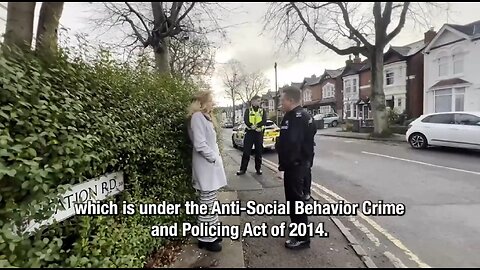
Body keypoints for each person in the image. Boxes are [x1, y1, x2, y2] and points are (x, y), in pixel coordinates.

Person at [187, 90, 227, 252]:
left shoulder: (205, 117)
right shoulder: (197, 117)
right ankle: (205, 239)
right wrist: (214, 158)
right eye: (211, 100)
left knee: (211, 202)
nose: (213, 103)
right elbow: (200, 144)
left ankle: (212, 233)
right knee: (207, 204)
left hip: (210, 166)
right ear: (202, 102)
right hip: (206, 166)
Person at [275, 86, 315, 250]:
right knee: (297, 201)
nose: (280, 103)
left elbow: (292, 144)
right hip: (302, 165)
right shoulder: (304, 115)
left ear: (290, 100)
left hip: (295, 166)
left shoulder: (295, 117)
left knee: (295, 202)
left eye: (282, 100)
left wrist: (285, 164)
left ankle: (302, 239)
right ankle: (299, 230)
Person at [237, 95, 267, 176]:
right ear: (253, 101)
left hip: (258, 133)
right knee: (246, 152)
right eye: (258, 100)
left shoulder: (262, 110)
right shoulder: (248, 110)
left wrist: (257, 126)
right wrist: (251, 126)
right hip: (249, 133)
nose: (259, 102)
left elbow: (264, 121)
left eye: (259, 101)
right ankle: (243, 169)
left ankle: (258, 169)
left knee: (258, 152)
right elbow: (246, 120)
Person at [303, 111, 317, 201]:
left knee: (306, 171)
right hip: (305, 148)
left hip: (307, 148)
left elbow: (313, 130)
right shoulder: (290, 115)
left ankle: (306, 192)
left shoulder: (308, 117)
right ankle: (305, 192)